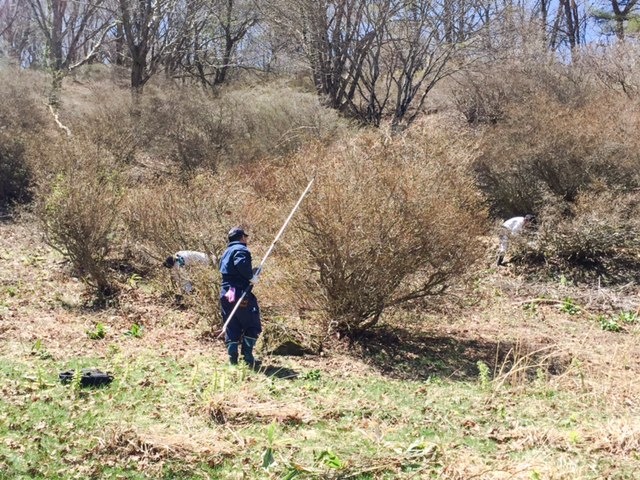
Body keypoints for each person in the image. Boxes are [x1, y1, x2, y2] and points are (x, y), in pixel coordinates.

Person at [219, 227, 261, 367]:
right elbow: (241, 264)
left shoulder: (225, 252)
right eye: (245, 237)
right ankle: (247, 358)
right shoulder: (241, 249)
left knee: (232, 325)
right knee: (252, 323)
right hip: (240, 293)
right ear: (242, 237)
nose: (246, 239)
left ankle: (233, 361)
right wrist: (251, 277)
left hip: (226, 293)